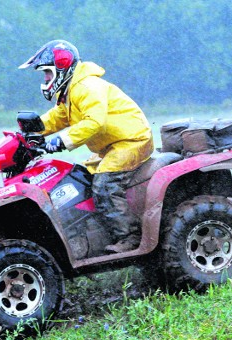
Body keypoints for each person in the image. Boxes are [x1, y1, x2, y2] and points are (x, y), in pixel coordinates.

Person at [19, 40, 154, 253]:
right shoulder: (71, 91)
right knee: (79, 177)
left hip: (131, 141)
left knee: (104, 185)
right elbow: (59, 117)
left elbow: (94, 122)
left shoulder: (87, 87)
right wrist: (32, 131)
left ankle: (130, 237)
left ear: (61, 68)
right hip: (111, 146)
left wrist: (59, 141)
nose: (45, 79)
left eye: (47, 73)